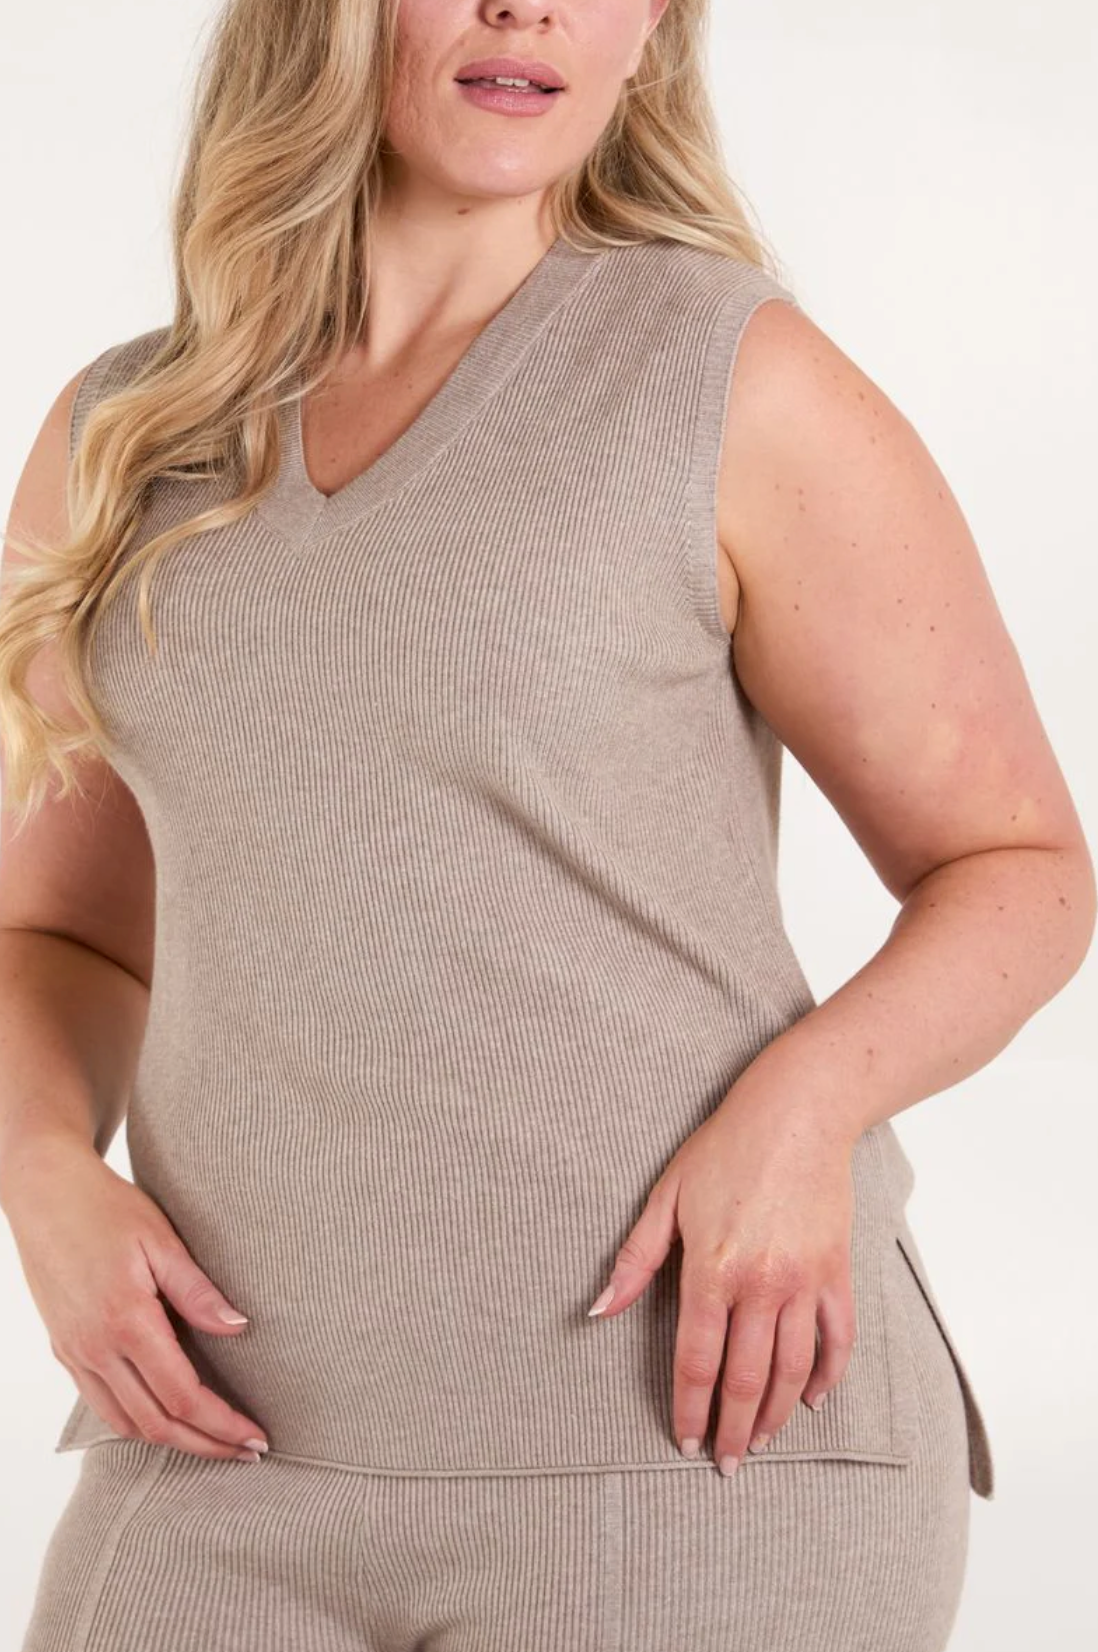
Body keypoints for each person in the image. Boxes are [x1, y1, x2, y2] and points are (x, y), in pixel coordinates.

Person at [1, 2, 1093, 1649]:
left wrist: (801, 1111)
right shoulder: (126, 432)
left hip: (700, 1443)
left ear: (650, 31)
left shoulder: (730, 382)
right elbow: (59, 930)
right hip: (216, 1446)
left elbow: (1014, 868)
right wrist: (38, 1171)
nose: (526, 6)